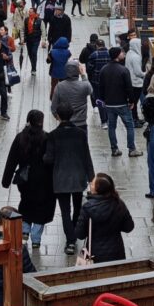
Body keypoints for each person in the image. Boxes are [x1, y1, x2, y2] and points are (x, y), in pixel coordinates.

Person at [44, 102, 94, 255]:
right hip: (78, 177)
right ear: (72, 115)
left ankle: (70, 240)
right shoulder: (80, 133)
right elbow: (87, 155)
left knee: (65, 210)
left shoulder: (53, 135)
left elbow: (48, 159)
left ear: (57, 117)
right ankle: (74, 232)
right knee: (77, 208)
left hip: (60, 178)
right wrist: (92, 177)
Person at [1, 111, 55, 248]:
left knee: (26, 202)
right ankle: (36, 239)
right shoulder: (46, 138)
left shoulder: (20, 138)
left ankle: (25, 230)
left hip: (25, 179)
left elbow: (11, 160)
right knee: (41, 207)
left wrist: (6, 181)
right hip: (43, 179)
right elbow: (52, 161)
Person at [74, 173, 134, 263]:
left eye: (93, 184)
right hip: (117, 253)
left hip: (94, 254)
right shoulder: (119, 204)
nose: (90, 184)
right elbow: (129, 227)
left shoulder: (87, 207)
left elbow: (80, 234)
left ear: (97, 189)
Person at [98, 47, 141, 158]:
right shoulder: (123, 70)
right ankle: (132, 149)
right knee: (129, 126)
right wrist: (132, 101)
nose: (123, 53)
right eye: (122, 52)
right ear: (117, 55)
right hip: (122, 103)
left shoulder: (104, 70)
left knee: (111, 127)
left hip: (109, 104)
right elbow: (129, 88)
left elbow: (101, 87)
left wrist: (103, 100)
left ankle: (114, 149)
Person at [51, 61, 92, 129]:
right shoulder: (84, 85)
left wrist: (59, 119)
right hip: (81, 123)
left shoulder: (59, 86)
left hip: (65, 124)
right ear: (78, 71)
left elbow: (53, 107)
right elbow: (90, 90)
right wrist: (83, 75)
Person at [86, 37, 111, 125]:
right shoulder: (110, 54)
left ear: (97, 46)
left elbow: (89, 68)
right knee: (108, 99)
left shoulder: (94, 55)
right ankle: (109, 119)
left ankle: (104, 121)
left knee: (100, 100)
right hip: (109, 81)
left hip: (97, 81)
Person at [125, 36, 146, 127]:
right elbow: (138, 72)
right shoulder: (136, 57)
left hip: (130, 81)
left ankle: (135, 118)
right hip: (136, 82)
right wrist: (145, 73)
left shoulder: (129, 53)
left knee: (133, 102)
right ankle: (134, 120)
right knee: (134, 102)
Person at [24, 6, 43, 75]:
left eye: (31, 12)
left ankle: (34, 68)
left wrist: (43, 40)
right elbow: (24, 29)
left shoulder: (39, 20)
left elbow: (43, 30)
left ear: (34, 12)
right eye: (29, 12)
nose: (29, 13)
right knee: (30, 53)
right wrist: (23, 39)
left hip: (36, 39)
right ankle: (33, 65)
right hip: (28, 39)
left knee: (34, 52)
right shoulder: (26, 20)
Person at [12, 0, 26, 64]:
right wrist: (14, 22)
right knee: (20, 32)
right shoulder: (16, 9)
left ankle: (22, 41)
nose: (21, 4)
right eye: (20, 3)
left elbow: (26, 15)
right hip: (18, 22)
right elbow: (15, 16)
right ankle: (21, 40)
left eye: (22, 3)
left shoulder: (25, 9)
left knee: (22, 32)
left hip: (24, 23)